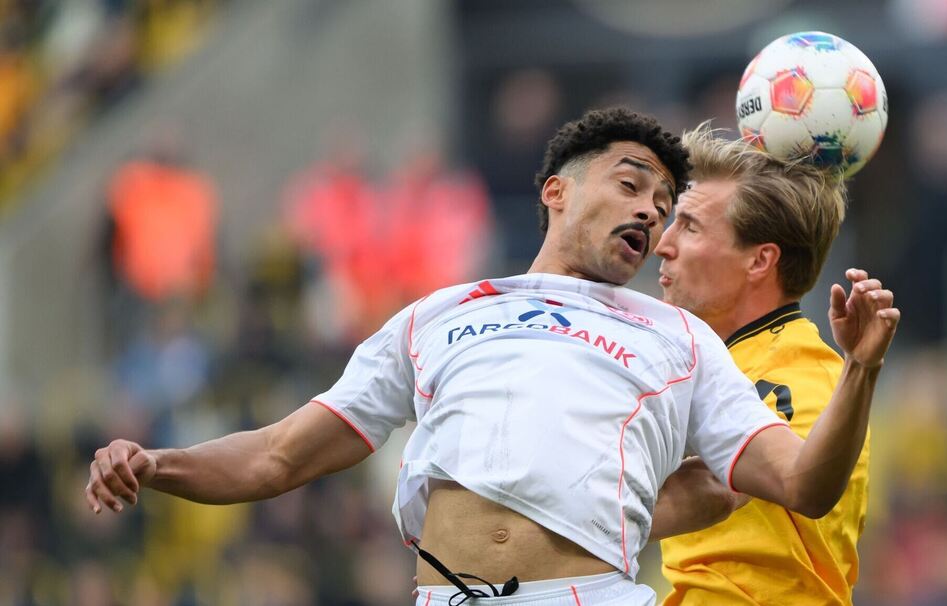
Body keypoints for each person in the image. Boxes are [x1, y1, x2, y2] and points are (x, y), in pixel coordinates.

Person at [85, 108, 899, 605]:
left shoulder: (678, 339)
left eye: (665, 205)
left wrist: (861, 368)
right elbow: (276, 456)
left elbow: (804, 485)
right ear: (556, 191)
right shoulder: (439, 314)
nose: (652, 216)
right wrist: (157, 464)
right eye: (631, 186)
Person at [652, 126, 872, 605]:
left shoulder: (799, 371)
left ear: (759, 261)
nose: (662, 245)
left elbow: (727, 486)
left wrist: (566, 526)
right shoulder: (709, 364)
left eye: (690, 226)